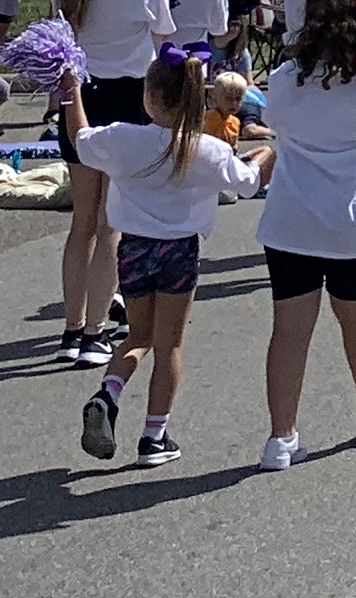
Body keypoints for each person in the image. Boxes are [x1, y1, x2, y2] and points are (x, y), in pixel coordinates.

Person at [253, 0, 356, 469]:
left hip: (291, 217)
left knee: (290, 328)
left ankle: (281, 437)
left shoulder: (284, 78)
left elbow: (277, 123)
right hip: (352, 220)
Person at [73, 50, 260, 467]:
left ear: (151, 96)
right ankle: (153, 436)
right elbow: (247, 184)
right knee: (169, 344)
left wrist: (72, 94)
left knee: (137, 336)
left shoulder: (124, 138)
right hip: (179, 250)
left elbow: (82, 141)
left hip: (134, 247)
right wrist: (266, 154)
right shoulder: (206, 149)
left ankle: (109, 393)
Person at [54, 0, 172, 367]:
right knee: (110, 223)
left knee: (83, 221)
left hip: (80, 99)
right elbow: (166, 48)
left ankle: (72, 327)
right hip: (129, 102)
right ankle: (94, 332)